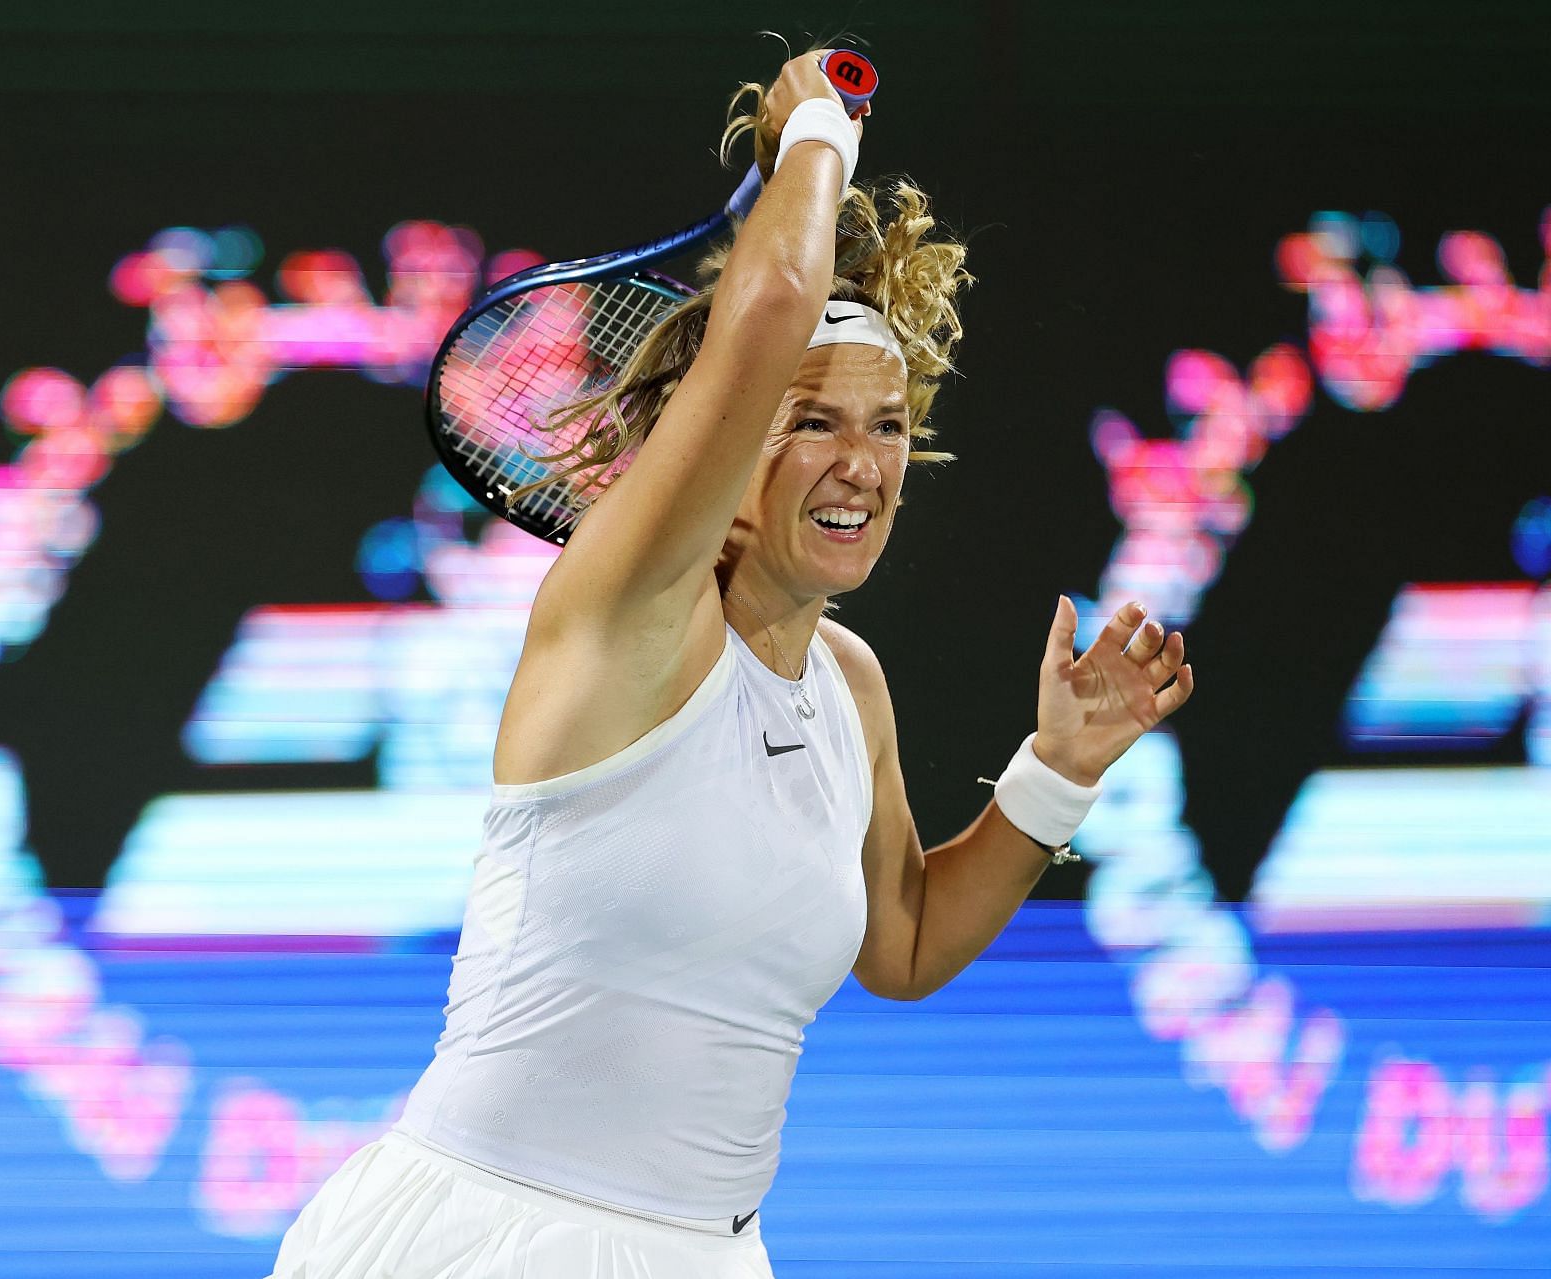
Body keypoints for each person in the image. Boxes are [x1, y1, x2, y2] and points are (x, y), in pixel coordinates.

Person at [272, 47, 1194, 1279]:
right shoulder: (630, 608)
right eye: (808, 420)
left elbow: (904, 943)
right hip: (485, 1240)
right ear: (708, 447)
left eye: (888, 426)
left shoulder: (848, 683)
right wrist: (817, 129)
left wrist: (1058, 772)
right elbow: (767, 310)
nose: (862, 465)